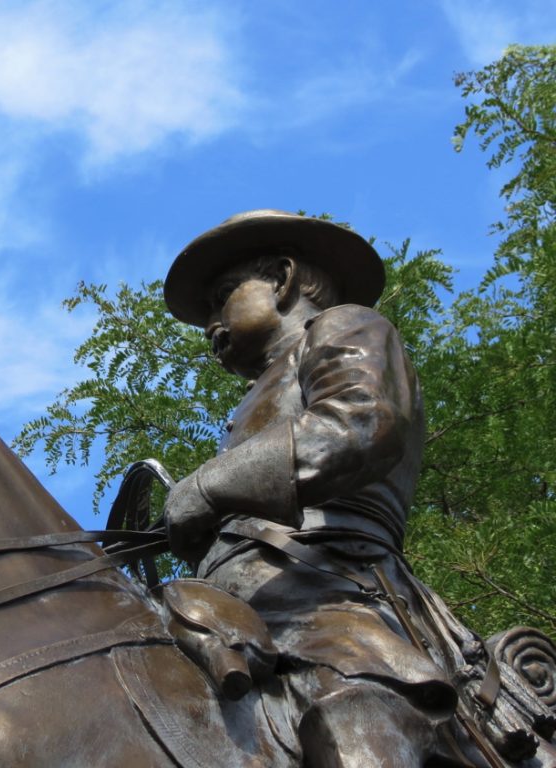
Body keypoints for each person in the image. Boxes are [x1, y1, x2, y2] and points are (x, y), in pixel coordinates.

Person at [162, 210, 486, 767]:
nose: (211, 322)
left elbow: (359, 426)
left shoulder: (345, 327)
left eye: (222, 297)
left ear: (283, 278)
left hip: (328, 592)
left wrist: (208, 487)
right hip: (231, 605)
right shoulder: (253, 398)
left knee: (350, 708)